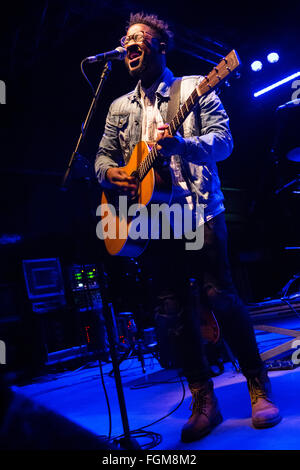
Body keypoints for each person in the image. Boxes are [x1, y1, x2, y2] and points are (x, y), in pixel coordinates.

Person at [94, 12, 281, 442]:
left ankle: (257, 386)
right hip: (155, 220)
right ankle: (203, 399)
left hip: (198, 214)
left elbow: (225, 142)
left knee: (222, 298)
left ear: (161, 47)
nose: (130, 43)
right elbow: (103, 157)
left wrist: (183, 144)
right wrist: (110, 176)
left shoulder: (195, 87)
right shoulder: (119, 108)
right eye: (126, 39)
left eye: (140, 37)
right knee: (171, 312)